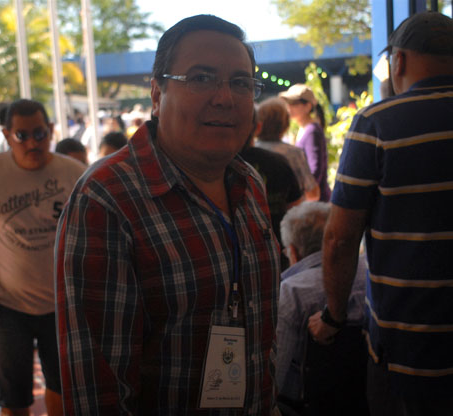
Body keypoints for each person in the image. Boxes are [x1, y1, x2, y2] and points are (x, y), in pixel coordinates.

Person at [56, 14, 280, 414]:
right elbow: (99, 392)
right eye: (201, 78)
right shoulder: (107, 200)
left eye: (241, 83)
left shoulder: (249, 183)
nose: (225, 97)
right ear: (157, 95)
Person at [308, 11, 453, 416]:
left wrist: (332, 316)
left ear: (398, 61)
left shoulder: (377, 124)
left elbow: (339, 238)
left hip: (411, 355)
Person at [0, 99, 86, 416]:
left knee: (63, 390)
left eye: (39, 133)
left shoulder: (74, 174)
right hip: (7, 306)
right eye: (21, 135)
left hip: (62, 306)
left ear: (51, 131)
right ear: (7, 135)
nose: (32, 142)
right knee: (14, 398)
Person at [275, 202, 366, 405]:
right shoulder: (369, 275)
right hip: (365, 399)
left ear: (293, 251)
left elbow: (275, 375)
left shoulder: (291, 291)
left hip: (306, 404)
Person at [240, 115, 302, 270]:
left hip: (238, 254)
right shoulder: (278, 161)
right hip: (277, 250)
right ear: (258, 127)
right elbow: (295, 208)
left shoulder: (220, 165)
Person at [254, 97, 319, 201]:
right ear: (286, 125)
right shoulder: (293, 154)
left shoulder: (250, 151)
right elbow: (313, 193)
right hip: (288, 214)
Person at [279, 84, 331, 202]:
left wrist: (300, 195)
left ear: (308, 106)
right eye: (288, 103)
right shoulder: (305, 128)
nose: (289, 107)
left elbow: (315, 170)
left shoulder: (312, 131)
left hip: (315, 202)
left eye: (294, 103)